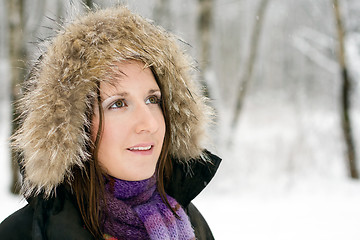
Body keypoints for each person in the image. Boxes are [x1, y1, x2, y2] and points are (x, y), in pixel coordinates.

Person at [0, 6, 221, 240]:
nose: (149, 123)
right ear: (74, 130)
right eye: (118, 104)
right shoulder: (22, 234)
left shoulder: (189, 222)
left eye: (153, 99)